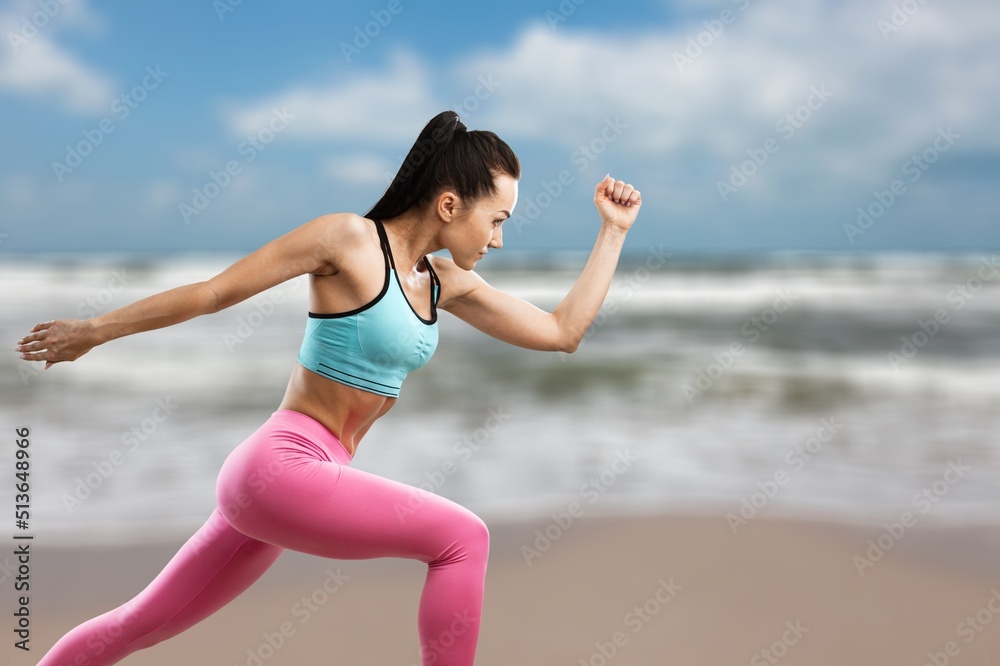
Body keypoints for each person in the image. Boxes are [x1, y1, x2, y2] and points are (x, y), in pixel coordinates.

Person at [16, 110, 642, 666]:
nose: (500, 238)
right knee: (463, 540)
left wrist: (612, 231)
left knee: (137, 626)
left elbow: (563, 332)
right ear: (450, 205)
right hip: (280, 465)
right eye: (497, 219)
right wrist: (93, 331)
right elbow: (214, 293)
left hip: (299, 478)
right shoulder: (347, 240)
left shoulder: (442, 282)